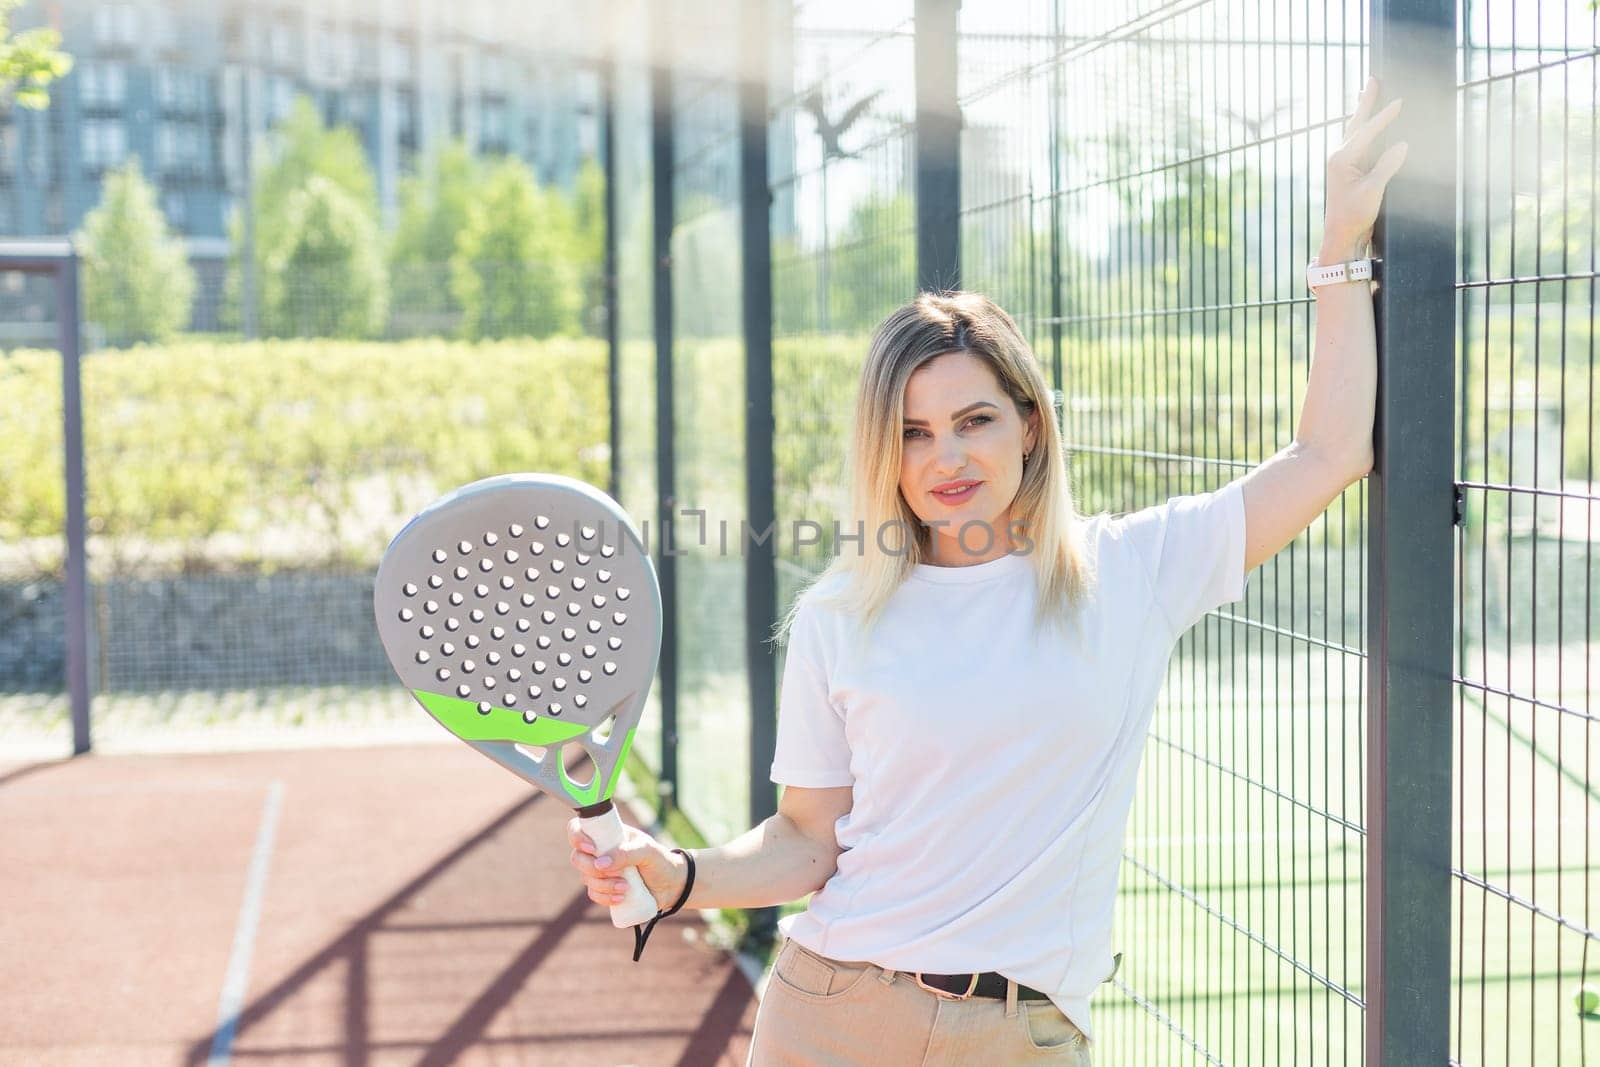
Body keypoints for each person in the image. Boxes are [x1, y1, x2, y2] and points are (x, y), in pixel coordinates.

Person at [567, 77, 1408, 1065]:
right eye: (913, 432)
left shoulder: (1131, 568)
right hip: (836, 1009)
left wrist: (1340, 243)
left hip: (1030, 1032)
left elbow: (1328, 454)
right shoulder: (840, 613)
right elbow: (806, 841)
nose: (946, 459)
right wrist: (672, 874)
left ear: (1029, 423)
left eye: (974, 421)